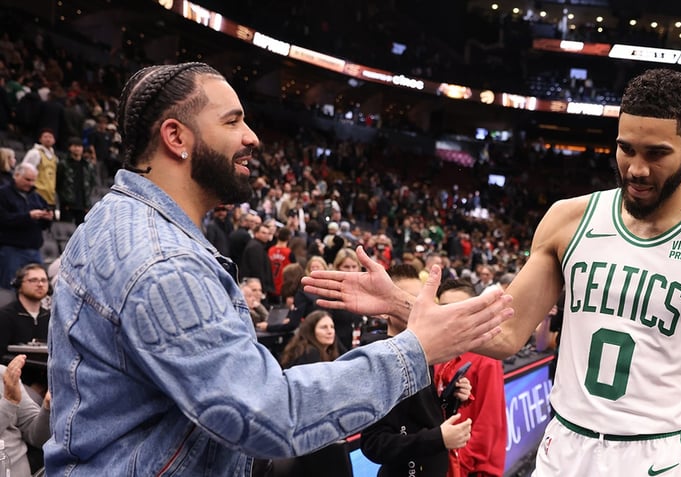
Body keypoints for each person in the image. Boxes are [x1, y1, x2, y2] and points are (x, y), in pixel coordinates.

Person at [303, 69, 681, 476]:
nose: (637, 169)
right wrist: (399, 304)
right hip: (564, 447)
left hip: (656, 456)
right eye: (627, 149)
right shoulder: (570, 219)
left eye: (656, 154)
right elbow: (507, 333)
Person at [46, 62, 513, 476]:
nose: (253, 137)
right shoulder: (162, 261)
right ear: (176, 137)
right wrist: (414, 349)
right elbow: (269, 414)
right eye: (233, 121)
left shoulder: (120, 218)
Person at [360, 265, 473, 477]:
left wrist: (451, 398)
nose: (420, 307)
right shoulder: (378, 360)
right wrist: (438, 439)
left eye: (422, 300)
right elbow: (373, 443)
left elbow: (422, 418)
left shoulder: (419, 349)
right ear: (384, 310)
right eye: (409, 300)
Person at [434, 279, 506, 477]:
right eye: (445, 308)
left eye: (461, 308)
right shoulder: (438, 351)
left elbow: (489, 422)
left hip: (470, 468)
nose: (452, 315)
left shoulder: (486, 356)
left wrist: (461, 462)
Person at [275, 310, 352, 476]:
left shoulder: (326, 350)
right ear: (311, 331)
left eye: (332, 326)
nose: (330, 331)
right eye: (324, 327)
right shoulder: (310, 353)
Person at [0, 163, 53, 289]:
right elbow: (3, 219)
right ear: (16, 175)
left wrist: (48, 218)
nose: (30, 183)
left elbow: (44, 226)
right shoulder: (3, 194)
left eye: (33, 180)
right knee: (10, 287)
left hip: (34, 250)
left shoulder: (37, 197)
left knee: (38, 288)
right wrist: (28, 216)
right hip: (11, 249)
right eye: (27, 179)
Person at [0, 354, 51, 476]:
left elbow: (39, 438)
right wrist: (9, 402)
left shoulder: (4, 374)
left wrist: (48, 409)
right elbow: (11, 401)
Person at [55, 136, 97, 225]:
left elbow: (92, 183)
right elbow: (58, 183)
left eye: (79, 146)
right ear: (70, 148)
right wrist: (64, 200)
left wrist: (87, 203)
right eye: (75, 146)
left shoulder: (88, 165)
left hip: (83, 204)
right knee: (66, 229)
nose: (77, 149)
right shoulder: (63, 164)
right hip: (67, 205)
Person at [22, 128, 58, 210]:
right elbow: (24, 171)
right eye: (45, 137)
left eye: (50, 137)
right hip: (37, 193)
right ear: (40, 139)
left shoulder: (54, 157)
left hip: (49, 194)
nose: (48, 139)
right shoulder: (35, 153)